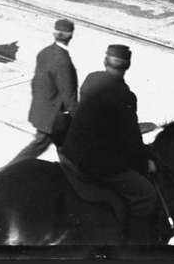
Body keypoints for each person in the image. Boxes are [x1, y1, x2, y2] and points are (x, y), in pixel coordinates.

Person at [60, 44, 157, 244]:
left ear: (105, 61)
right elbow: (132, 143)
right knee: (145, 194)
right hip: (97, 165)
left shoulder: (90, 80)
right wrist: (145, 161)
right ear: (128, 65)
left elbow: (98, 118)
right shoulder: (125, 96)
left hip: (71, 151)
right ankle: (135, 243)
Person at [10, 19, 78, 163]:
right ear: (70, 35)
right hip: (52, 118)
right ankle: (6, 171)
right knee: (39, 145)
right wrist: (79, 116)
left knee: (66, 145)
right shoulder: (63, 61)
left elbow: (36, 84)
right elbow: (68, 94)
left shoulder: (44, 52)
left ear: (55, 34)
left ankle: (72, 173)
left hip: (43, 112)